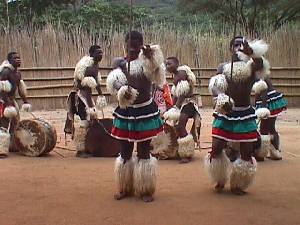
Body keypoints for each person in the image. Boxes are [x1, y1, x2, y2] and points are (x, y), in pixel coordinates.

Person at [205, 36, 271, 195]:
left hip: (245, 114)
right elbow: (215, 85)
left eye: (242, 45)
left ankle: (239, 184)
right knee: (216, 147)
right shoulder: (223, 66)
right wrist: (221, 97)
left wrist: (253, 53)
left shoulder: (251, 65)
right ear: (230, 48)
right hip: (226, 112)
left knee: (246, 151)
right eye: (236, 44)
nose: (239, 47)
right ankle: (219, 177)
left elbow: (261, 65)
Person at [106, 31, 165, 202]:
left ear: (141, 44)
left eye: (137, 43)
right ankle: (125, 187)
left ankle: (145, 189)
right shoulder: (120, 63)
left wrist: (150, 57)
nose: (132, 46)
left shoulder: (148, 62)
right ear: (125, 43)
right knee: (125, 150)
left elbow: (158, 75)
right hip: (125, 111)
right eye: (130, 42)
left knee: (144, 150)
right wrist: (122, 91)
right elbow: (114, 83)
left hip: (145, 111)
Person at [64, 45, 106, 158]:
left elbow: (96, 82)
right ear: (92, 54)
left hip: (88, 97)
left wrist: (100, 94)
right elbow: (78, 82)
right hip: (80, 97)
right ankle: (80, 149)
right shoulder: (84, 65)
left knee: (91, 121)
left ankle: (88, 146)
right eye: (98, 53)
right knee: (84, 121)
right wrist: (85, 84)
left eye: (102, 53)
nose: (101, 55)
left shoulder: (96, 66)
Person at [162, 57, 201, 163]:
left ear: (176, 64)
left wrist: (176, 107)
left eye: (169, 64)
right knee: (177, 126)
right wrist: (171, 107)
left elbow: (183, 92)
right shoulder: (176, 77)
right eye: (166, 64)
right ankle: (182, 149)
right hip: (182, 104)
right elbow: (176, 95)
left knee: (180, 126)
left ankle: (186, 154)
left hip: (189, 103)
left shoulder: (182, 72)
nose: (167, 66)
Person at [0, 52, 31, 157]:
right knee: (4, 124)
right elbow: (2, 89)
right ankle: (1, 149)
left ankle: (13, 146)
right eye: (15, 58)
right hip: (2, 101)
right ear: (9, 60)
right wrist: (7, 104)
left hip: (11, 100)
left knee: (15, 123)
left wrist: (25, 102)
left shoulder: (18, 73)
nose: (18, 60)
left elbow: (21, 89)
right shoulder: (5, 72)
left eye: (19, 58)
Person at [253, 76, 287, 161]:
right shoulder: (260, 72)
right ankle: (275, 153)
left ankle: (261, 154)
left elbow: (263, 89)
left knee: (264, 129)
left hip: (267, 101)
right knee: (271, 128)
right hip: (270, 100)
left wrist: (264, 107)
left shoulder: (257, 74)